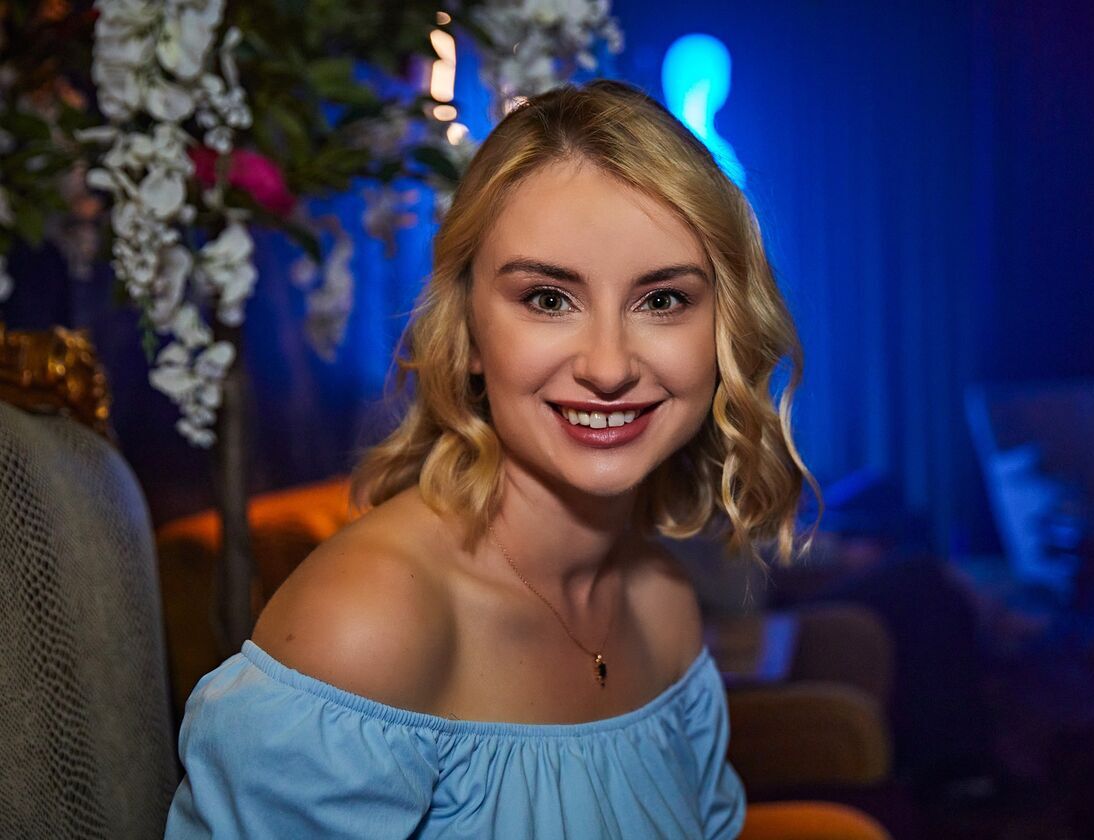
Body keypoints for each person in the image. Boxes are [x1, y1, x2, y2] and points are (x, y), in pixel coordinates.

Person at [164, 79, 819, 839]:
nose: (609, 366)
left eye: (662, 300)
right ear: (469, 333)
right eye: (548, 299)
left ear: (724, 330)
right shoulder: (367, 627)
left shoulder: (663, 605)